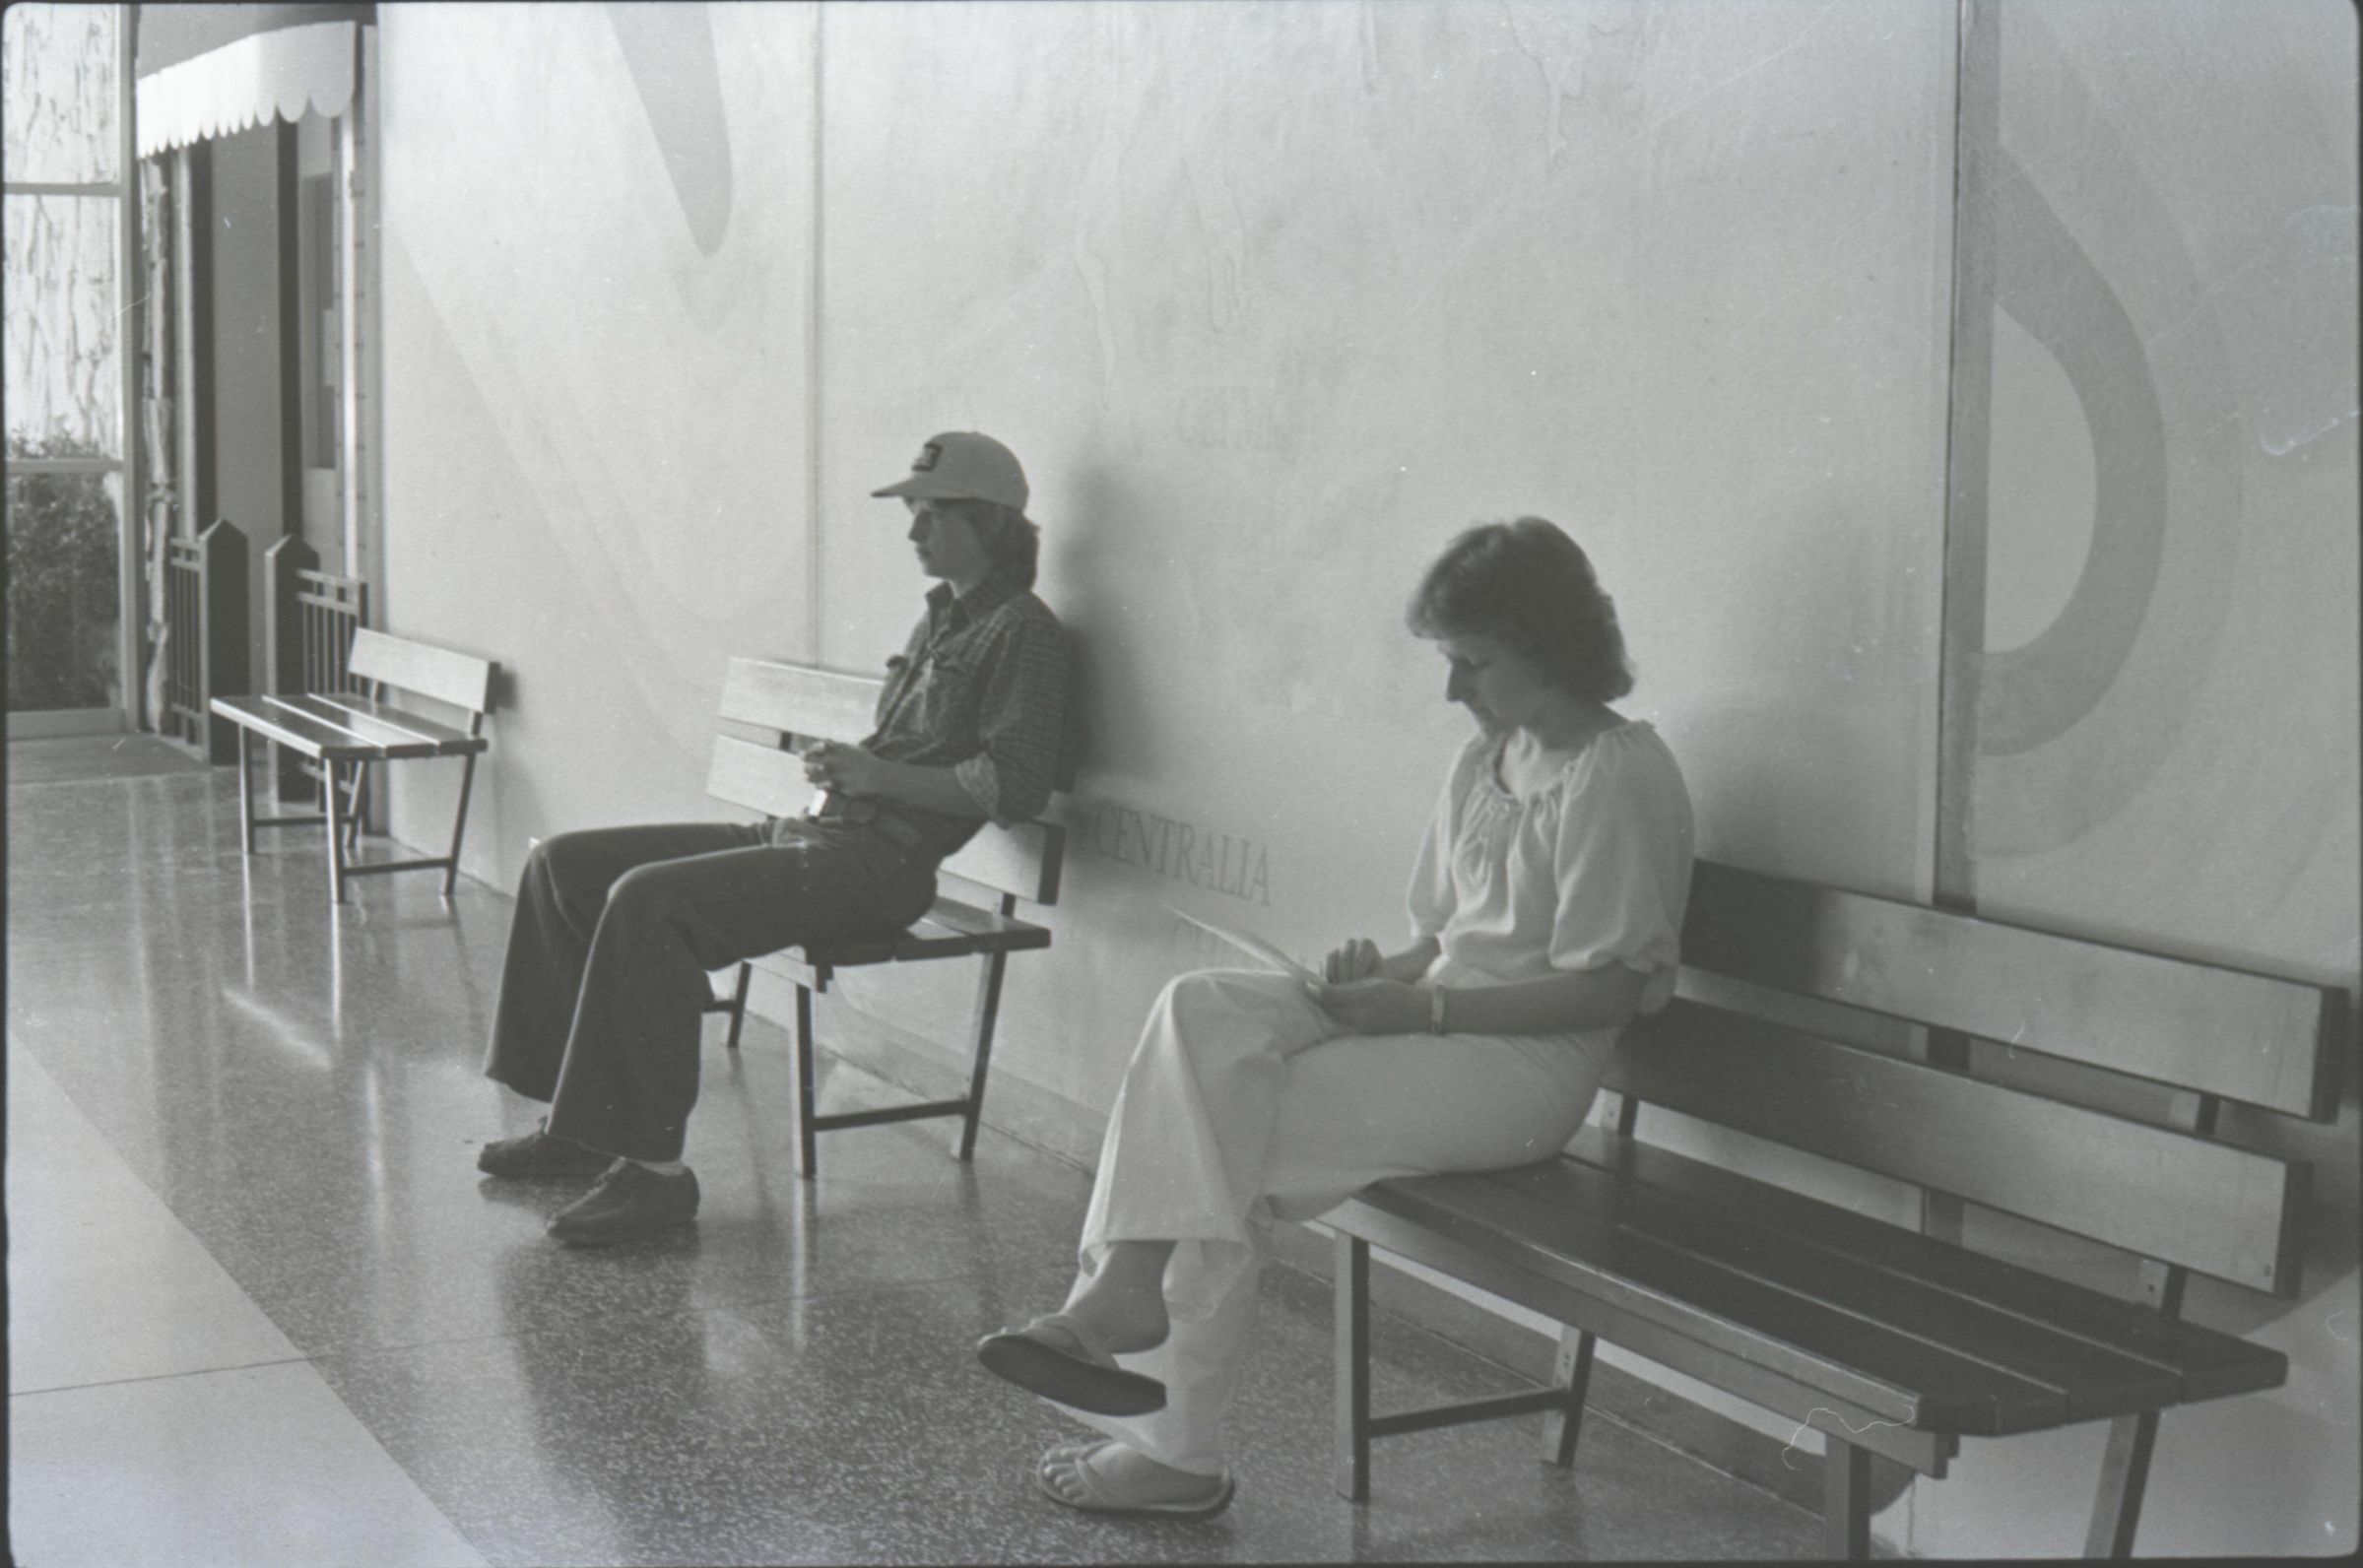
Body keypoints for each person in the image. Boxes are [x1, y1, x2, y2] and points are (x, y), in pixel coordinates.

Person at [974, 516, 1693, 1518]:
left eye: (1472, 661)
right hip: (1437, 1028)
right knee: (1201, 1010)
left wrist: (1419, 1005)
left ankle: (1162, 1419)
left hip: (1523, 1072)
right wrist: (1372, 981)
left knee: (1220, 1128)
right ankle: (1128, 1309)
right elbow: (1437, 940)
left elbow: (1608, 990)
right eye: (1449, 661)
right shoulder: (1484, 759)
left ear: (1550, 645)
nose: (1453, 689)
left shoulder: (1619, 772)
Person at [477, 431, 1072, 1245]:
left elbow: (1016, 782)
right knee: (563, 866)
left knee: (649, 902)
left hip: (882, 865)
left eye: (932, 515)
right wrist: (852, 774)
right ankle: (580, 1128)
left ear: (988, 522)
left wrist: (876, 777)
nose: (913, 532)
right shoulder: (942, 618)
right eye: (913, 514)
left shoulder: (1022, 632)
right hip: (819, 835)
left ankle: (654, 1175)